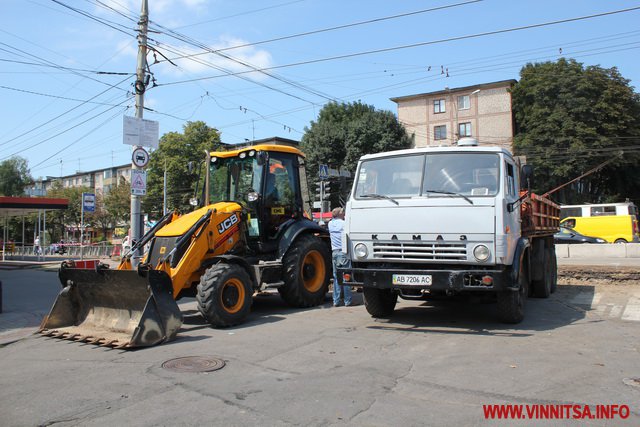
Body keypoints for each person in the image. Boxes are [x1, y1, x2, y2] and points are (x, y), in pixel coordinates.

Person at [328, 207, 352, 307]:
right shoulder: (343, 223)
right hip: (343, 252)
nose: (344, 213)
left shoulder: (330, 224)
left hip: (334, 253)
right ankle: (347, 301)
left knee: (336, 278)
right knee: (346, 277)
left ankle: (336, 301)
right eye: (342, 212)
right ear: (339, 214)